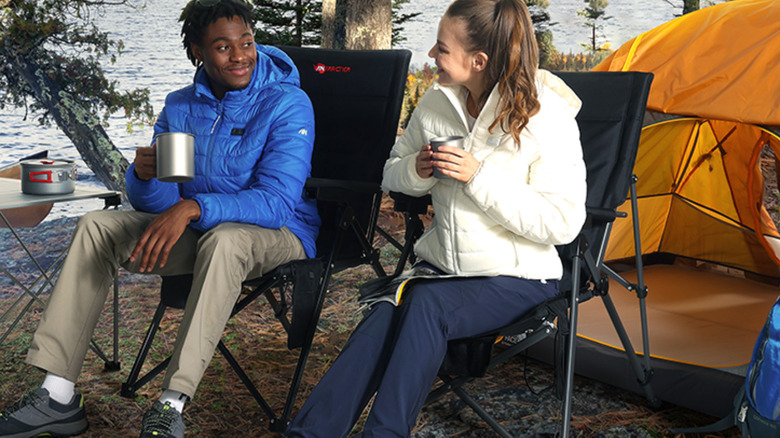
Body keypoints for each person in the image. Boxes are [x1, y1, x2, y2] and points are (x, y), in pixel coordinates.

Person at [0, 0, 319, 437]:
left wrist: (193, 207)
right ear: (196, 52)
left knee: (225, 239)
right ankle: (57, 393)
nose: (240, 55)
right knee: (97, 227)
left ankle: (171, 404)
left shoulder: (288, 103)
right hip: (200, 230)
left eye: (246, 42)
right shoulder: (180, 105)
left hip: (278, 231)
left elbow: (277, 201)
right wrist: (145, 177)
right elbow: (160, 200)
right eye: (223, 46)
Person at [286, 0, 586, 436]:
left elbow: (562, 222)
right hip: (441, 270)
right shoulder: (437, 100)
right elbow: (392, 172)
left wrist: (478, 177)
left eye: (442, 49)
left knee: (423, 303)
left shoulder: (546, 116)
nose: (431, 55)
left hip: (519, 276)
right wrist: (417, 170)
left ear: (478, 60)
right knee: (387, 313)